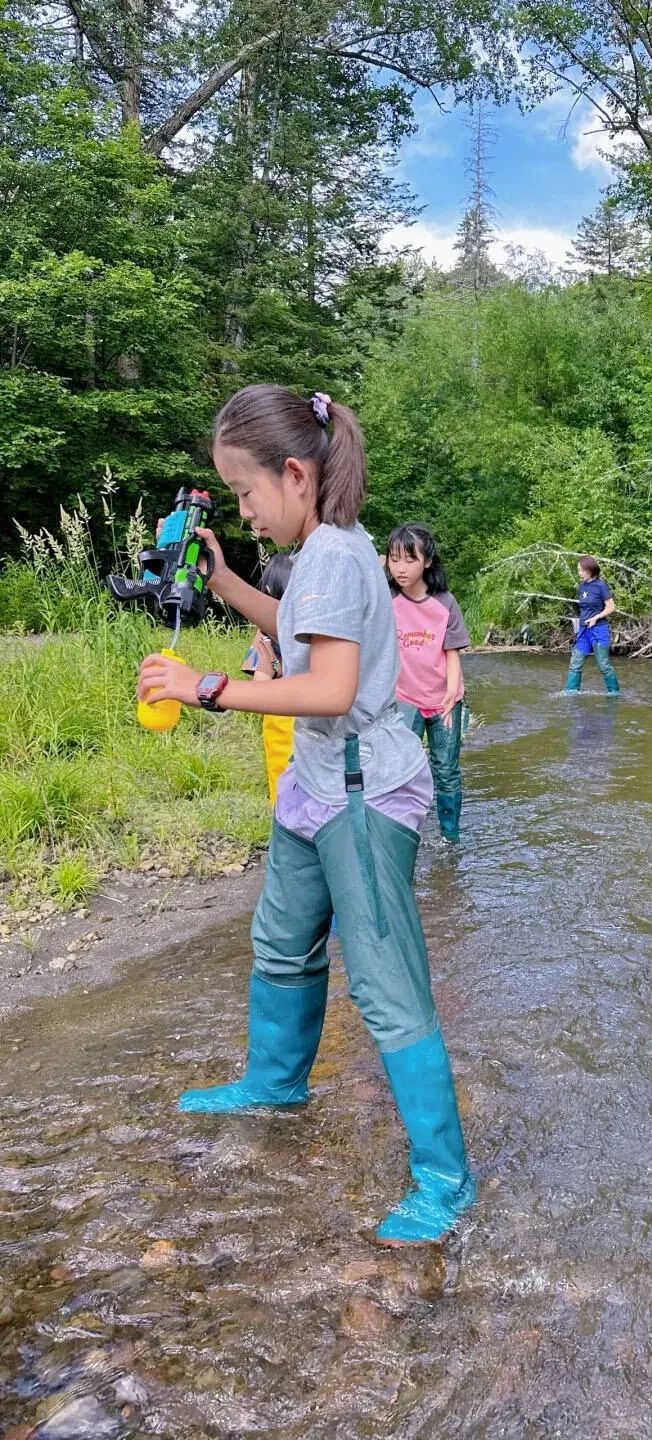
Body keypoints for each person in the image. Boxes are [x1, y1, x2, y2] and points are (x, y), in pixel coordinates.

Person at [137, 385, 474, 1247]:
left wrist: (206, 687)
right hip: (317, 784)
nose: (246, 512)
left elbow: (326, 686)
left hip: (362, 793)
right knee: (282, 940)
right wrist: (227, 583)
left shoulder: (333, 549)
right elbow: (305, 628)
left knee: (386, 983)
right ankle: (277, 1079)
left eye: (248, 495)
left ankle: (445, 1179)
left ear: (295, 472)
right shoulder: (336, 546)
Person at [386, 523, 469, 842]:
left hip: (444, 698)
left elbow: (451, 653)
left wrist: (450, 694)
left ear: (427, 561)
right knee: (399, 770)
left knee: (446, 769)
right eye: (395, 560)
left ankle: (450, 837)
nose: (401, 568)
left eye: (409, 560)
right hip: (402, 698)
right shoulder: (386, 600)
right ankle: (401, 835)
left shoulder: (445, 603)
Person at [241, 550, 295, 806]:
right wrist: (276, 665)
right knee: (284, 783)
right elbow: (259, 685)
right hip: (281, 727)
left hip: (317, 726)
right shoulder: (264, 638)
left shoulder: (317, 632)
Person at [566, 554, 619, 695]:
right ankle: (571, 692)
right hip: (583, 631)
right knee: (575, 663)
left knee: (604, 665)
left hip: (599, 630)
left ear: (588, 570)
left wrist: (596, 617)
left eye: (579, 570)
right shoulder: (581, 586)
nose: (578, 573)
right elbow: (584, 608)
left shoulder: (601, 586)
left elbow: (611, 607)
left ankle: (614, 693)